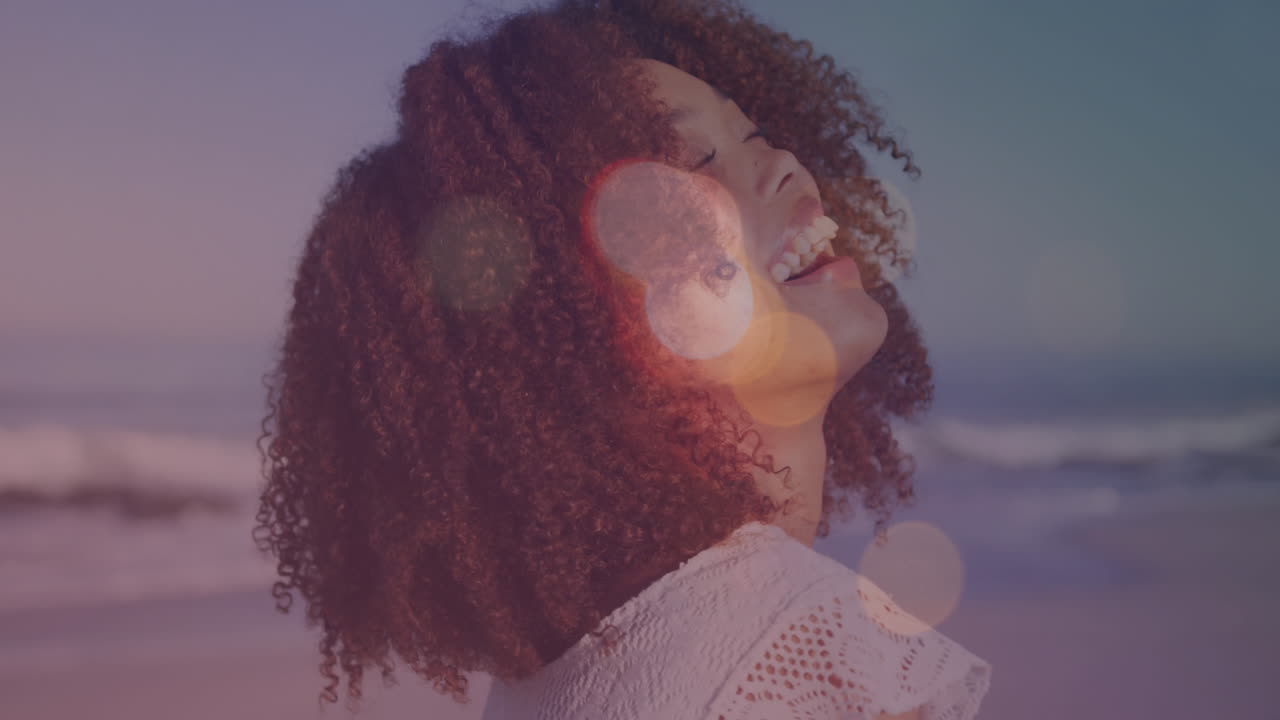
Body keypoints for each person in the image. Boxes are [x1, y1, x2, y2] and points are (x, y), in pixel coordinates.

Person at [252, 0, 991, 718]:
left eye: (756, 133)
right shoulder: (821, 664)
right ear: (571, 326)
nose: (787, 166)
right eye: (695, 160)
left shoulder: (551, 686)